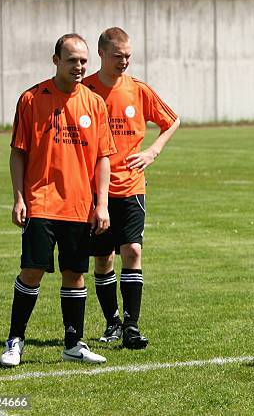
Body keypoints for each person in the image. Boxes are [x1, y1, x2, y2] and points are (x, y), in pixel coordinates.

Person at [0, 34, 116, 367]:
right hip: (40, 201)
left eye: (83, 61)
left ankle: (73, 343)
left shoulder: (95, 103)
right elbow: (18, 153)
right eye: (71, 60)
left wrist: (102, 203)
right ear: (56, 61)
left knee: (75, 274)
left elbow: (102, 158)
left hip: (79, 206)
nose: (79, 67)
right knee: (32, 270)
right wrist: (19, 197)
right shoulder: (31, 99)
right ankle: (15, 340)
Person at [83, 27, 179, 349]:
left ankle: (132, 326)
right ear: (101, 54)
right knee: (103, 259)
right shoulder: (85, 91)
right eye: (117, 56)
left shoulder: (138, 90)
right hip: (96, 191)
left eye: (128, 56)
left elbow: (172, 121)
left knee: (133, 251)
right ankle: (112, 321)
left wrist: (153, 151)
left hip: (132, 185)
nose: (124, 61)